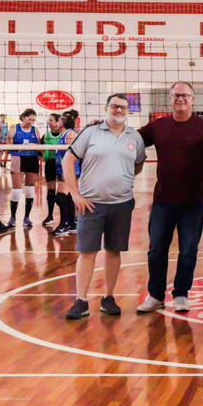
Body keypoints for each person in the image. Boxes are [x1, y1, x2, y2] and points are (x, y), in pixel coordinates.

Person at [136, 82, 203, 315]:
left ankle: (181, 293)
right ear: (170, 98)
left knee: (188, 251)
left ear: (192, 99)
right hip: (163, 200)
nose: (180, 99)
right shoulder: (158, 126)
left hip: (194, 202)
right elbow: (131, 139)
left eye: (185, 95)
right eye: (176, 95)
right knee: (156, 250)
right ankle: (155, 295)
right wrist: (103, 130)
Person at [64, 94, 146, 320]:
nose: (119, 110)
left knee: (114, 251)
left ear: (128, 111)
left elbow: (138, 164)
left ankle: (108, 298)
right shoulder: (90, 132)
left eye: (123, 107)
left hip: (122, 204)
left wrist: (123, 178)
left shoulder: (134, 137)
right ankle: (81, 301)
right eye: (114, 106)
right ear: (106, 108)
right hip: (91, 203)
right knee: (87, 252)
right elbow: (67, 160)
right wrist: (75, 194)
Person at [6, 108, 42, 228]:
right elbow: (8, 146)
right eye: (29, 119)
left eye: (33, 120)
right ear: (23, 117)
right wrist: (20, 147)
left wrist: (35, 145)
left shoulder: (35, 130)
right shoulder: (14, 128)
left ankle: (27, 217)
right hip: (18, 158)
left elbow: (40, 146)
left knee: (30, 188)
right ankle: (12, 217)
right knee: (16, 190)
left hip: (32, 159)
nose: (31, 122)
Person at [53, 113, 79, 236]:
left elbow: (73, 155)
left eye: (59, 120)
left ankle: (64, 224)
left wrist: (67, 171)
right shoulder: (64, 134)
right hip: (62, 169)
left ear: (63, 122)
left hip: (69, 170)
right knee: (68, 197)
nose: (57, 122)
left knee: (61, 196)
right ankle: (72, 224)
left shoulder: (70, 134)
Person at [41, 113, 62, 225]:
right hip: (50, 163)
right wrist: (44, 156)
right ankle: (50, 215)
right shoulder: (45, 136)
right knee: (50, 190)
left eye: (51, 120)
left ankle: (67, 218)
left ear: (58, 122)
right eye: (48, 120)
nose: (48, 122)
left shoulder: (64, 135)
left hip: (62, 164)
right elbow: (40, 149)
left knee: (63, 191)